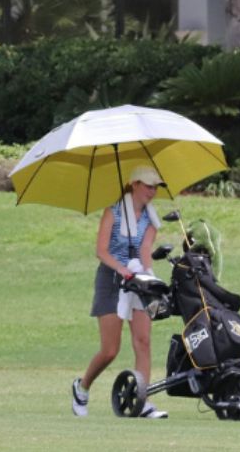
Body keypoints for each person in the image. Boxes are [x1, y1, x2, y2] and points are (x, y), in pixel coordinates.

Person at [71, 165, 168, 419]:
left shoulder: (151, 218)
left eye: (155, 187)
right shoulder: (113, 212)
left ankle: (141, 401)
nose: (152, 191)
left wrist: (148, 276)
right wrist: (122, 269)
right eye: (148, 186)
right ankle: (82, 388)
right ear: (134, 184)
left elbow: (146, 249)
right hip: (111, 279)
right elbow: (101, 251)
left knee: (143, 341)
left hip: (138, 279)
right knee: (110, 350)